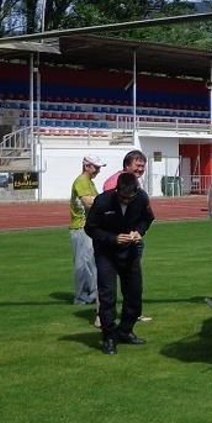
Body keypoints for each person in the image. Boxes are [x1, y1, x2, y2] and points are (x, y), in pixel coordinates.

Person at [85, 171, 154, 353]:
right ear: (117, 191)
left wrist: (139, 232)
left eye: (129, 198)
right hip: (106, 253)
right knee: (108, 295)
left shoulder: (141, 198)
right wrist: (113, 238)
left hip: (130, 251)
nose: (126, 201)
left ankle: (125, 330)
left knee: (134, 294)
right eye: (123, 197)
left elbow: (147, 219)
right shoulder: (103, 201)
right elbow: (90, 228)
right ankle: (108, 336)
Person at [98, 149, 153, 323]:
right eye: (137, 166)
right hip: (113, 242)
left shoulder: (135, 184)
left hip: (132, 239)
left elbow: (146, 215)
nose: (140, 169)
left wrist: (139, 231)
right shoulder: (114, 182)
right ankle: (104, 317)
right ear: (127, 164)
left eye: (143, 167)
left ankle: (132, 314)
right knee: (108, 283)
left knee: (132, 283)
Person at [69, 155, 102, 307]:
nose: (98, 170)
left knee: (90, 262)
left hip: (88, 226)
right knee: (83, 263)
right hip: (81, 226)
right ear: (87, 166)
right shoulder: (82, 181)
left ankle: (91, 293)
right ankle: (82, 296)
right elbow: (88, 203)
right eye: (96, 167)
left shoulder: (89, 182)